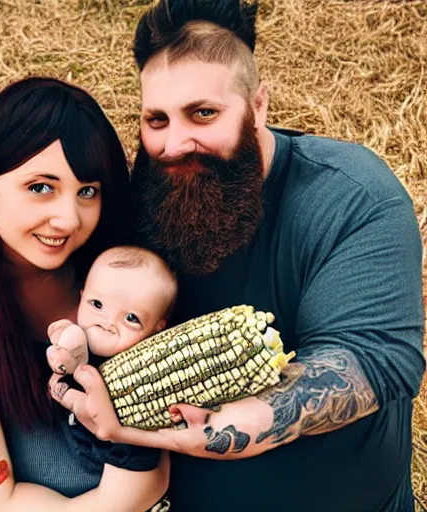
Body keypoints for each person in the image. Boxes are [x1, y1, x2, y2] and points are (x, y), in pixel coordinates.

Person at [48, 1, 426, 511]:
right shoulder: (148, 193)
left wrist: (202, 430)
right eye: (156, 119)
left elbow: (373, 360)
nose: (176, 143)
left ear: (259, 104)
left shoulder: (353, 197)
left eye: (203, 113)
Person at [0, 77, 169, 512]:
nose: (68, 219)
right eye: (40, 187)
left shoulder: (113, 273)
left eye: (87, 191)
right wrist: (132, 488)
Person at [46, 246, 175, 502]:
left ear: (156, 330)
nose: (108, 322)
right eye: (97, 304)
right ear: (81, 298)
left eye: (130, 318)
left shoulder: (144, 380)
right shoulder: (73, 343)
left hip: (111, 478)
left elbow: (142, 458)